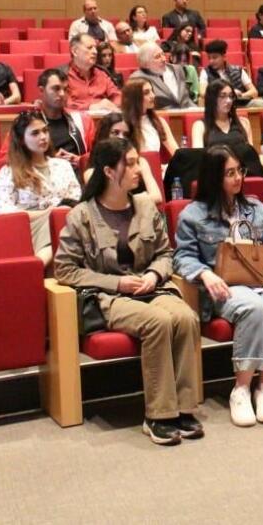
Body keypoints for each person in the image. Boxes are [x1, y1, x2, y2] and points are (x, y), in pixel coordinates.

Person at [53, 137, 201, 445]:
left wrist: (153, 274)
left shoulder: (145, 206)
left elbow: (165, 253)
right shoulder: (82, 215)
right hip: (110, 297)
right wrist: (117, 283)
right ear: (109, 171)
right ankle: (159, 415)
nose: (138, 169)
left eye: (138, 162)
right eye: (130, 164)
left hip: (152, 288)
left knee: (186, 317)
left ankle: (184, 408)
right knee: (157, 322)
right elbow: (65, 270)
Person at [174, 146, 263, 426]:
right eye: (229, 173)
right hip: (224, 286)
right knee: (254, 308)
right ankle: (241, 389)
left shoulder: (255, 209)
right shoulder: (192, 215)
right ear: (213, 177)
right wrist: (204, 274)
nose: (238, 178)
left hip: (259, 278)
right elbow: (182, 257)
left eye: (239, 171)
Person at [0, 111, 82, 267]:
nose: (43, 137)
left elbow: (75, 199)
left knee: (66, 219)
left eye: (45, 131)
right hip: (27, 229)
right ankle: (37, 266)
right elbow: (4, 211)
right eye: (35, 133)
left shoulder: (62, 165)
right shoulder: (9, 171)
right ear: (21, 140)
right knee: (59, 220)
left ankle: (36, 266)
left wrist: (56, 214)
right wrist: (49, 213)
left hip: (65, 222)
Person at [190, 80, 263, 179]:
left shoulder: (244, 123)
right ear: (212, 99)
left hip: (243, 175)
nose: (229, 101)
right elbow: (198, 159)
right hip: (215, 176)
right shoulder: (200, 126)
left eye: (231, 96)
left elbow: (250, 156)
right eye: (223, 96)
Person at [84, 114, 163, 203]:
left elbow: (157, 197)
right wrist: (142, 199)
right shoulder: (91, 171)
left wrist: (131, 203)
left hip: (144, 210)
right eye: (115, 133)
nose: (121, 138)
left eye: (126, 135)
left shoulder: (141, 162)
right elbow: (109, 201)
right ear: (104, 135)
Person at [33, 68, 93, 169]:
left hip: (77, 174)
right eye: (56, 89)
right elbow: (12, 158)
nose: (62, 94)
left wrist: (80, 160)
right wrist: (50, 161)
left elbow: (98, 155)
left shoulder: (82, 120)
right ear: (41, 91)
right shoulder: (28, 123)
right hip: (42, 174)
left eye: (65, 89)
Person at [129, 42, 196, 110]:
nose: (164, 59)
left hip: (187, 112)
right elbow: (138, 107)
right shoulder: (138, 78)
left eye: (163, 54)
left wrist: (198, 110)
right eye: (157, 57)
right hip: (161, 115)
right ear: (146, 64)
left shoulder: (177, 69)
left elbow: (185, 99)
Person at [121, 80, 178, 157]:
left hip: (156, 164)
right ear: (134, 97)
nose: (153, 96)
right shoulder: (122, 124)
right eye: (146, 93)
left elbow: (175, 152)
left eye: (152, 91)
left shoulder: (159, 122)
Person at [66, 34, 121, 112]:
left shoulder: (102, 73)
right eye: (89, 48)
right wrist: (90, 107)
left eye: (95, 48)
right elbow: (65, 104)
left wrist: (113, 105)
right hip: (77, 117)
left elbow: (117, 95)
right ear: (75, 51)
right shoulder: (64, 75)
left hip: (105, 117)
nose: (95, 52)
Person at [200, 39, 262, 106]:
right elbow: (203, 93)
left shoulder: (238, 70)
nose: (211, 61)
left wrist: (240, 95)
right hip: (218, 106)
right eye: (209, 58)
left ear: (224, 57)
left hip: (239, 104)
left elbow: (254, 92)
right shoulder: (205, 72)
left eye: (214, 58)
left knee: (259, 103)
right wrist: (227, 94)